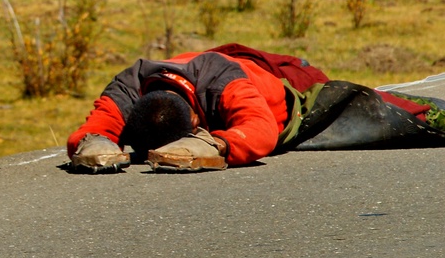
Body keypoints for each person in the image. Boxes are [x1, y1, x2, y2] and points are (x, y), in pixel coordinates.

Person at [66, 44, 332, 172]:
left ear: (194, 122)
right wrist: (94, 145)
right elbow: (89, 132)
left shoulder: (226, 83)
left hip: (271, 75)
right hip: (197, 60)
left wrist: (215, 144)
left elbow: (261, 130)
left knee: (325, 85)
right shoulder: (127, 86)